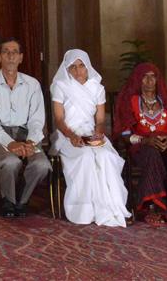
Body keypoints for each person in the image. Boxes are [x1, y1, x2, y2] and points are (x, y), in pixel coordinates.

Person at [50, 48, 129, 227]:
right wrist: (71, 136)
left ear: (88, 67)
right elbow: (59, 119)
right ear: (67, 69)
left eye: (81, 66)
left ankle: (111, 207)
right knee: (85, 157)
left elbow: (100, 120)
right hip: (67, 134)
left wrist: (98, 132)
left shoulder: (97, 87)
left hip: (91, 132)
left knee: (105, 156)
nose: (78, 71)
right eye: (73, 67)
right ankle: (84, 209)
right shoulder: (61, 86)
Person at [0, 38, 50, 218]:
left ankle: (21, 201)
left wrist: (31, 142)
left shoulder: (32, 84)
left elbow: (37, 119)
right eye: (6, 52)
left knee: (42, 165)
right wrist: (9, 143)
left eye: (15, 52)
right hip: (0, 133)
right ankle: (8, 200)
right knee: (11, 162)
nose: (11, 56)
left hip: (27, 133)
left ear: (21, 58)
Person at [113, 61, 167, 224]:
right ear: (137, 80)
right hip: (142, 145)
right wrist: (146, 140)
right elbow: (125, 134)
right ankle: (152, 208)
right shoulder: (131, 101)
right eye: (144, 77)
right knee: (152, 154)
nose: (149, 81)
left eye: (153, 77)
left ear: (158, 80)